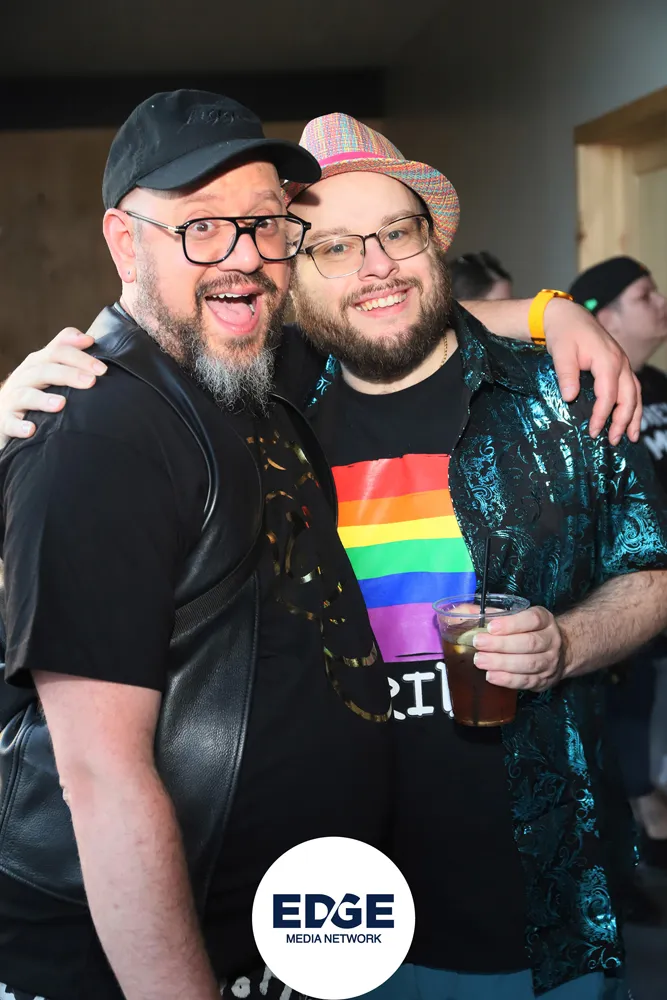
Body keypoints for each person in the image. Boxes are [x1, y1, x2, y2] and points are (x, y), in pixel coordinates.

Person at [0, 113, 655, 1000]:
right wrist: (18, 414)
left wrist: (555, 311)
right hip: (315, 925)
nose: (374, 265)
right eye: (334, 247)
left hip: (536, 907)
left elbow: (652, 574)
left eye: (397, 233)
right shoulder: (265, 399)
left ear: (433, 242)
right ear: (295, 279)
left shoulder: (562, 396)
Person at [0, 91, 397, 1000]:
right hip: (128, 965)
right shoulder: (101, 435)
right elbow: (101, 779)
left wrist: (556, 316)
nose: (244, 256)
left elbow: (398, 320)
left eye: (264, 224)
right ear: (124, 243)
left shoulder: (249, 379)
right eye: (203, 227)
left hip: (274, 938)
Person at [571, 256, 667, 875]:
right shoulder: (585, 396)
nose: (661, 303)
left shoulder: (656, 384)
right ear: (605, 316)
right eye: (645, 294)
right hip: (626, 591)